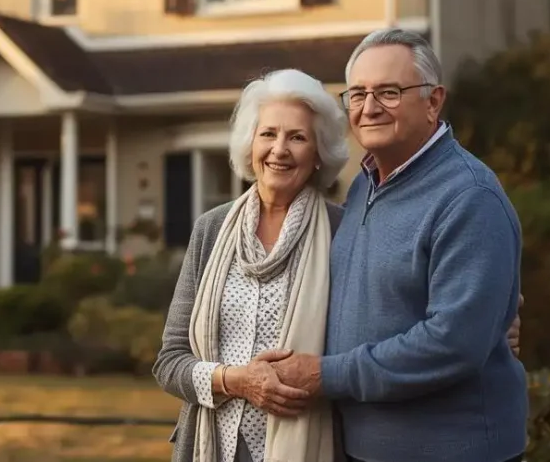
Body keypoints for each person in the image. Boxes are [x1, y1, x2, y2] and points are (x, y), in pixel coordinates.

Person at [152, 67, 521, 462]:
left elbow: (392, 305)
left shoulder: (341, 229)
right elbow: (170, 361)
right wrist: (237, 380)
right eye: (268, 134)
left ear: (318, 154)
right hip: (210, 447)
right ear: (250, 145)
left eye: (297, 137)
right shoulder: (211, 229)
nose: (279, 149)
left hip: (309, 442)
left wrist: (495, 318)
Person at [266, 28, 529, 462]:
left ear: (433, 101)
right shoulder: (362, 187)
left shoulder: (468, 197)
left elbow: (453, 344)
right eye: (357, 94)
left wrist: (326, 375)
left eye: (389, 92)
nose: (369, 108)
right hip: (365, 447)